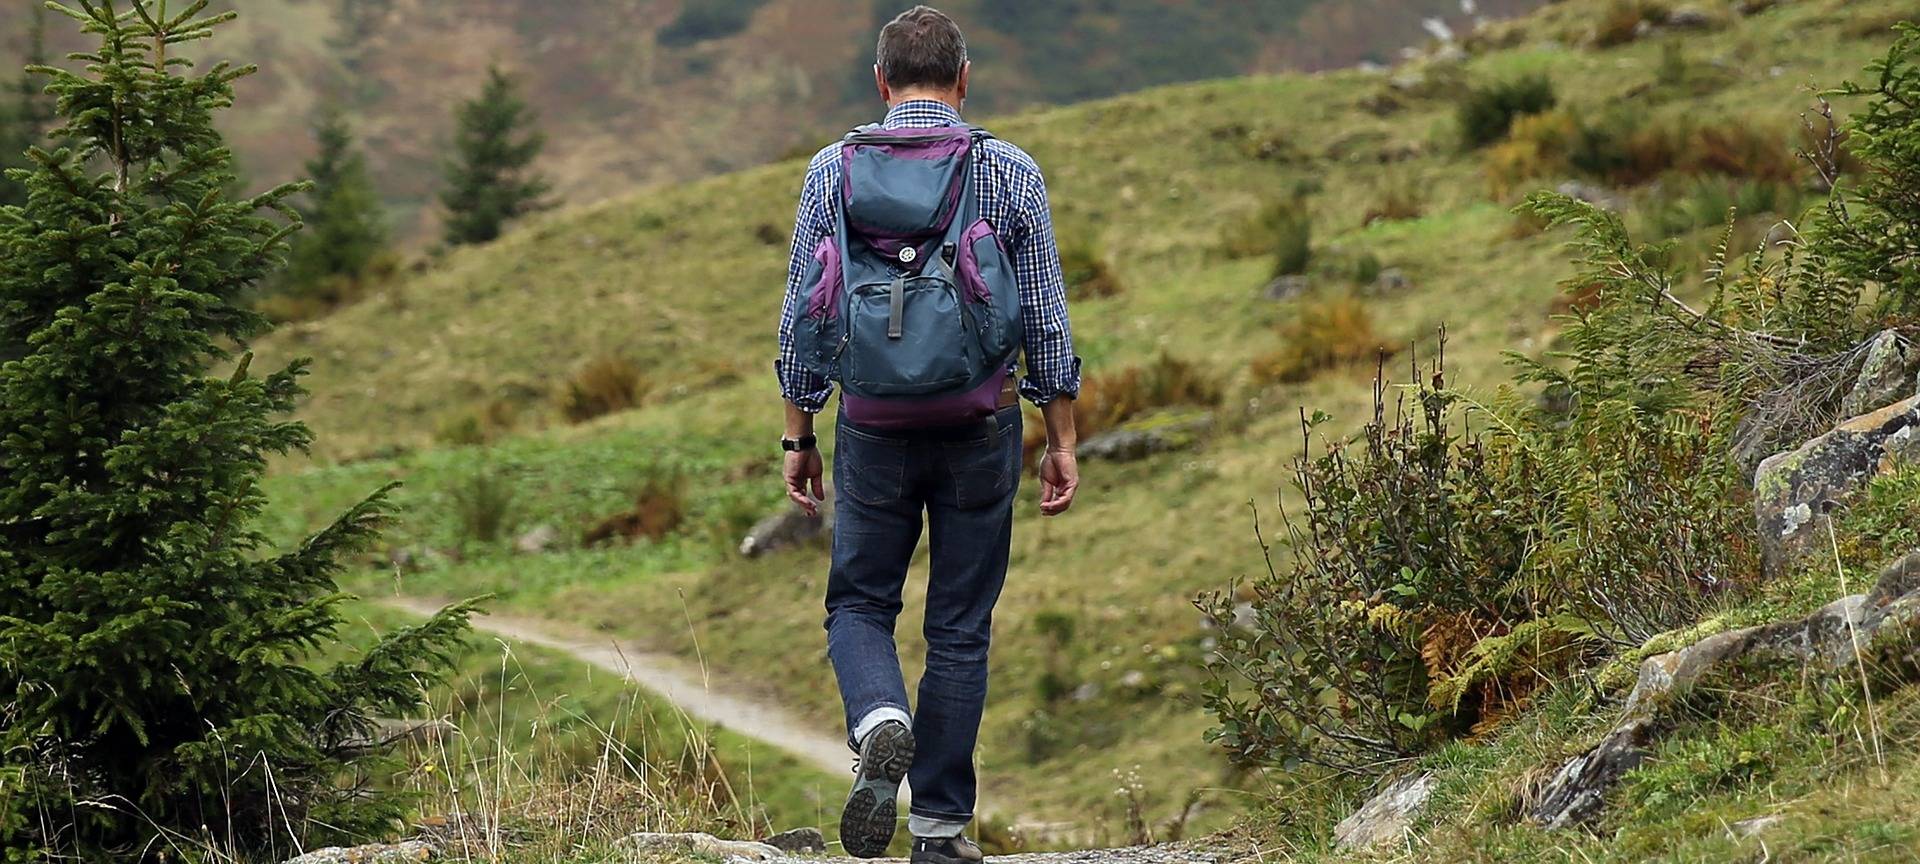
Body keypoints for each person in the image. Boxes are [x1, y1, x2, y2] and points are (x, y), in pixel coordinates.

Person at [773, 6, 1082, 862]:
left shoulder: (831, 171)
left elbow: (802, 316)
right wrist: (1060, 437)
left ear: (880, 82)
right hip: (980, 423)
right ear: (964, 79)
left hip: (872, 426)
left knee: (859, 603)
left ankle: (880, 718)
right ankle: (940, 832)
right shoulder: (1008, 170)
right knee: (959, 628)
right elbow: (1047, 319)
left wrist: (799, 436)